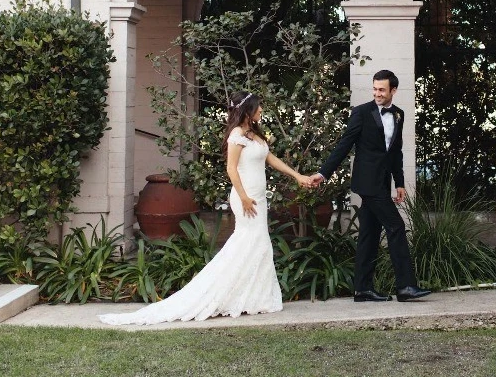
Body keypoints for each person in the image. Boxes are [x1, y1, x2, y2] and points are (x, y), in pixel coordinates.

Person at [100, 91, 313, 325]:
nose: (261, 110)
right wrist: (243, 197)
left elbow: (270, 158)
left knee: (258, 245)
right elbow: (231, 169)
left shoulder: (255, 135)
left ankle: (254, 297)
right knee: (252, 243)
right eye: (258, 107)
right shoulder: (237, 135)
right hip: (246, 198)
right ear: (247, 110)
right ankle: (224, 293)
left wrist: (297, 176)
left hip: (258, 198)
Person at [311, 69, 431, 303]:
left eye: (382, 90)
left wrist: (399, 182)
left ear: (393, 91)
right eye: (375, 88)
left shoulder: (398, 114)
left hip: (383, 182)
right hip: (368, 183)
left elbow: (395, 151)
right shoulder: (361, 112)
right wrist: (324, 173)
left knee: (369, 234)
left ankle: (362, 289)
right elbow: (345, 144)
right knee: (395, 226)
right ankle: (406, 286)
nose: (377, 93)